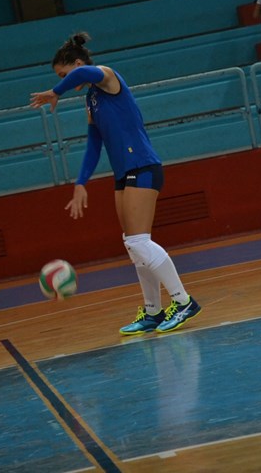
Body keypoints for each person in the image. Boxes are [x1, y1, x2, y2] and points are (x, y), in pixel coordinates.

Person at [30, 32, 201, 335]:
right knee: (133, 245)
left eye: (63, 75)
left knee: (138, 241)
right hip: (123, 173)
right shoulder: (91, 101)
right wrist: (81, 182)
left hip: (142, 165)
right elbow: (94, 144)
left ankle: (183, 301)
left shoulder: (107, 77)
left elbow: (82, 74)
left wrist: (56, 91)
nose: (65, 81)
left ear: (78, 64)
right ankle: (153, 312)